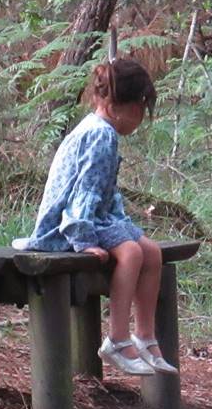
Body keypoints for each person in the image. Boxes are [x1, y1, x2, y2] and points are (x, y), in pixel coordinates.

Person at [14, 57, 177, 377]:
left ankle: (144, 337)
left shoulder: (100, 128)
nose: (142, 118)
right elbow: (84, 193)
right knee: (130, 253)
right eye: (141, 109)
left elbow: (103, 192)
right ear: (119, 105)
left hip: (94, 217)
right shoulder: (100, 135)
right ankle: (116, 340)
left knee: (152, 253)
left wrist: (121, 226)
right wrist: (83, 240)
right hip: (67, 225)